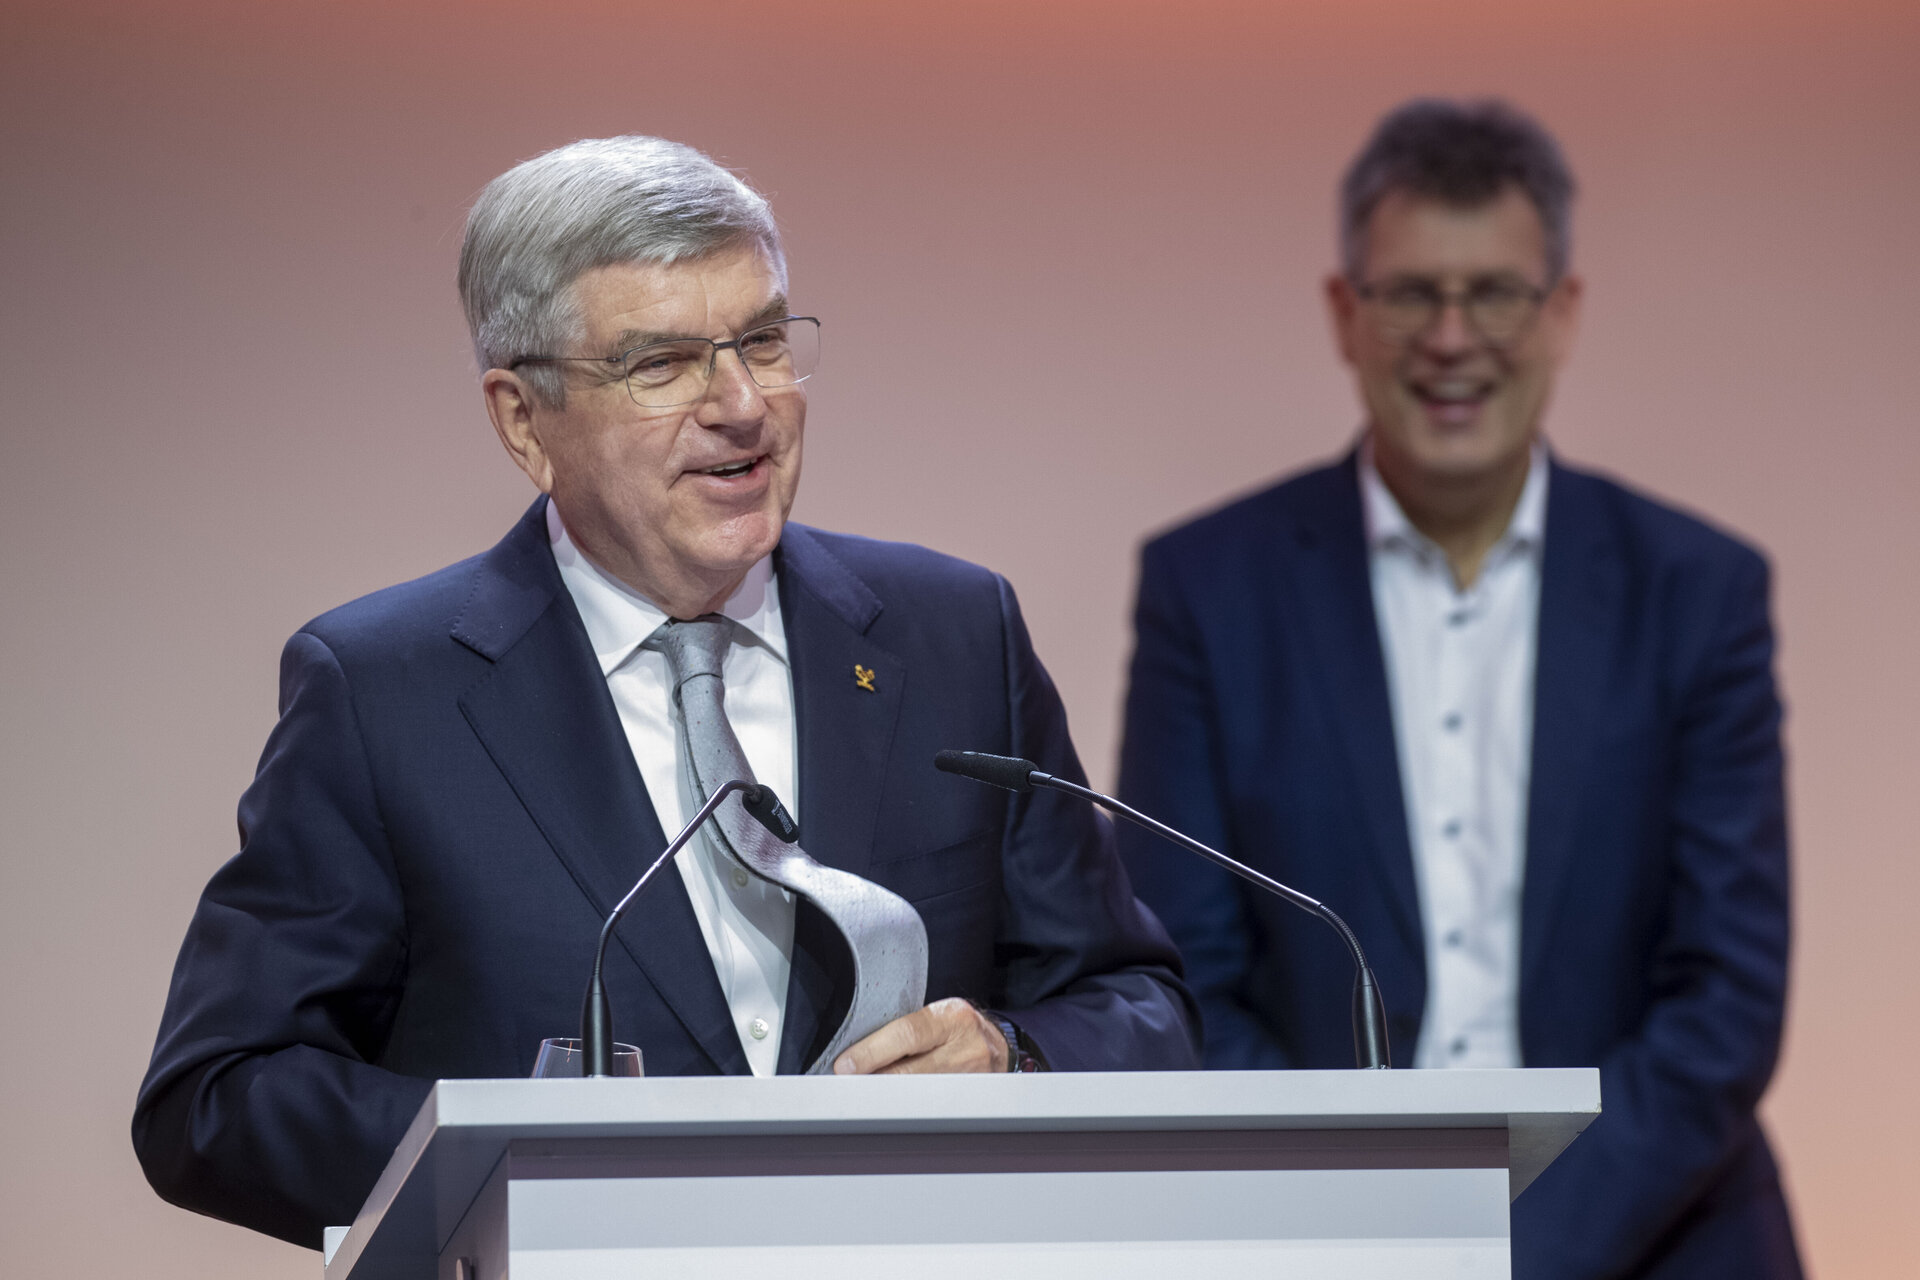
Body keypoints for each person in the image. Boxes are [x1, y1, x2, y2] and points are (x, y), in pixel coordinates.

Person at [134, 135, 1197, 1248]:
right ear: (524, 419)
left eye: (762, 340)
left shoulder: (954, 634)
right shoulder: (384, 691)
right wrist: (516, 1155)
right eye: (662, 364)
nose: (742, 403)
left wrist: (1015, 1058)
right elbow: (216, 1096)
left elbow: (1141, 1004)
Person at [1116, 100, 1800, 1278]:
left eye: (1493, 293)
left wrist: (1511, 1256)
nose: (1450, 336)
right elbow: (1186, 978)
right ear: (1345, 313)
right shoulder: (1209, 589)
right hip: (1323, 1238)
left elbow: (1725, 998)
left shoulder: (1699, 591)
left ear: (1562, 310)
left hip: (1660, 1232)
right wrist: (1381, 1237)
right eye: (1409, 295)